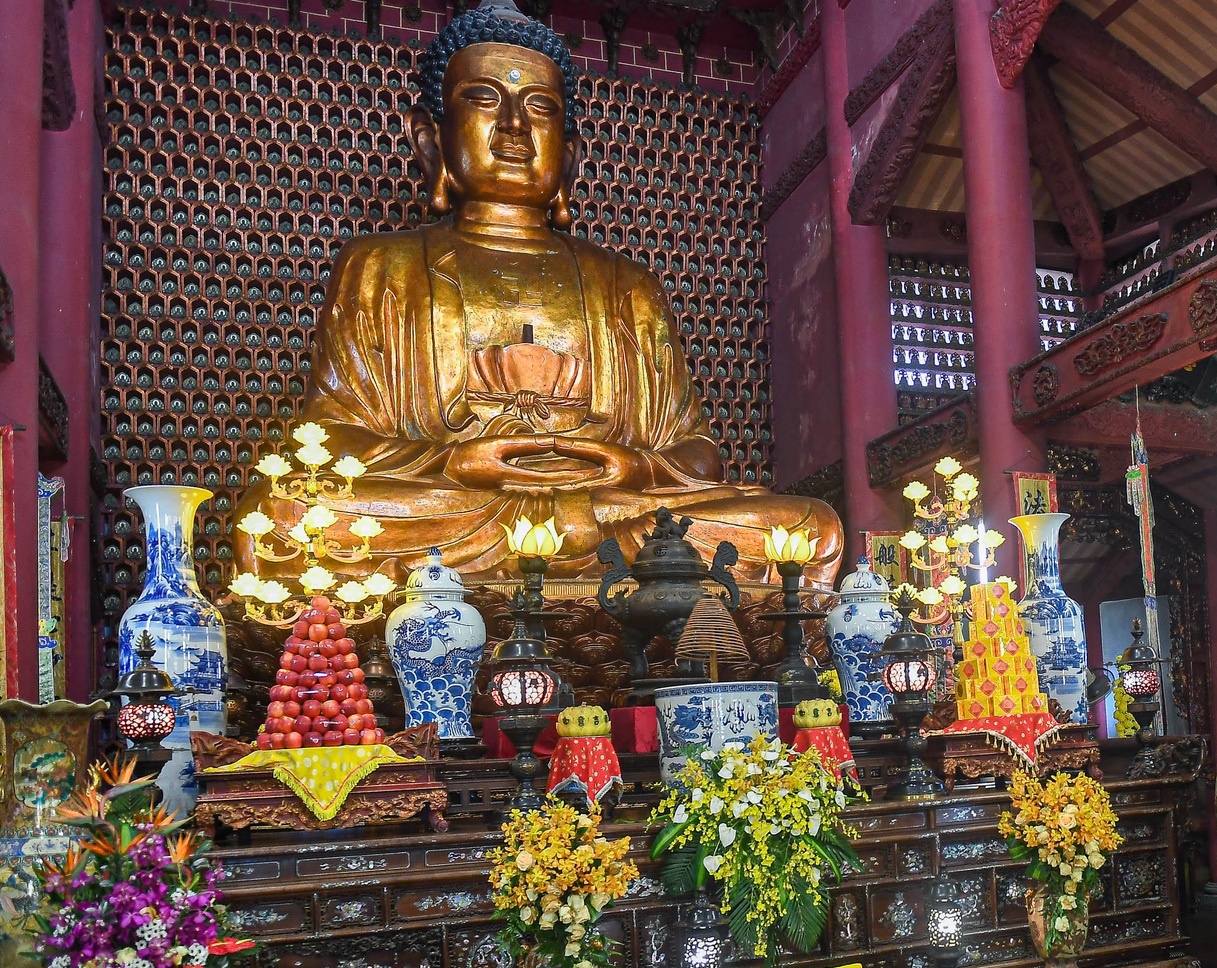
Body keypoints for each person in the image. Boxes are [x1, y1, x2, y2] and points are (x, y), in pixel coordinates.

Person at [231, 0, 840, 588]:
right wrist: (452, 462)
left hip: (609, 512)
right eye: (484, 100)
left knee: (809, 525)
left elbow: (695, 454)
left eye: (540, 108)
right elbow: (328, 439)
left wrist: (635, 466)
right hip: (460, 512)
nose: (516, 128)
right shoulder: (380, 266)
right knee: (279, 514)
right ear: (429, 140)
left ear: (569, 155)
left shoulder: (628, 286)